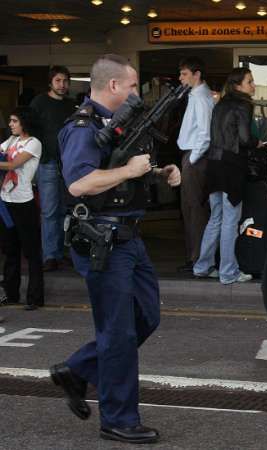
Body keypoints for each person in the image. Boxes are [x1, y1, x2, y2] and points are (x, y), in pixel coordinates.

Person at [51, 54, 181, 444]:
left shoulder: (115, 125)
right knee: (119, 332)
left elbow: (117, 172)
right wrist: (129, 170)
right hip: (103, 240)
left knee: (146, 316)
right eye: (130, 86)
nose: (133, 93)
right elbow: (79, 185)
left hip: (129, 238)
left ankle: (77, 370)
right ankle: (119, 419)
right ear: (112, 87)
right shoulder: (82, 127)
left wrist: (158, 171)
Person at [193, 68, 258, 284]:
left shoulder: (219, 103)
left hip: (213, 164)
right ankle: (228, 272)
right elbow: (244, 138)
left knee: (216, 217)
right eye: (250, 81)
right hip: (231, 165)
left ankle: (203, 266)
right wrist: (258, 142)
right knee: (230, 220)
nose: (253, 85)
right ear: (238, 85)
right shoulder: (244, 104)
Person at [30, 65, 76, 272]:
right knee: (49, 211)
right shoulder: (39, 102)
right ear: (50, 82)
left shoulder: (71, 104)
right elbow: (29, 131)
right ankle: (50, 255)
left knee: (66, 211)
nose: (63, 85)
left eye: (65, 81)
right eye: (58, 80)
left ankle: (62, 253)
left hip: (68, 164)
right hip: (46, 162)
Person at [0, 107, 44, 310]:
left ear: (24, 123)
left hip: (24, 202)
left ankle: (35, 298)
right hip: (6, 201)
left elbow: (13, 165)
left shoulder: (33, 143)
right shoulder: (11, 141)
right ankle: (11, 294)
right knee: (10, 250)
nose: (10, 124)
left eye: (14, 121)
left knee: (31, 251)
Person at [177, 56, 214, 272]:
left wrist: (191, 160)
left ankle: (197, 258)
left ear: (197, 74)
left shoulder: (200, 98)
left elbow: (205, 134)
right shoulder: (195, 95)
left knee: (195, 209)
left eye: (184, 74)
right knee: (190, 208)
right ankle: (194, 257)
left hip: (195, 157)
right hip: (192, 155)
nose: (180, 78)